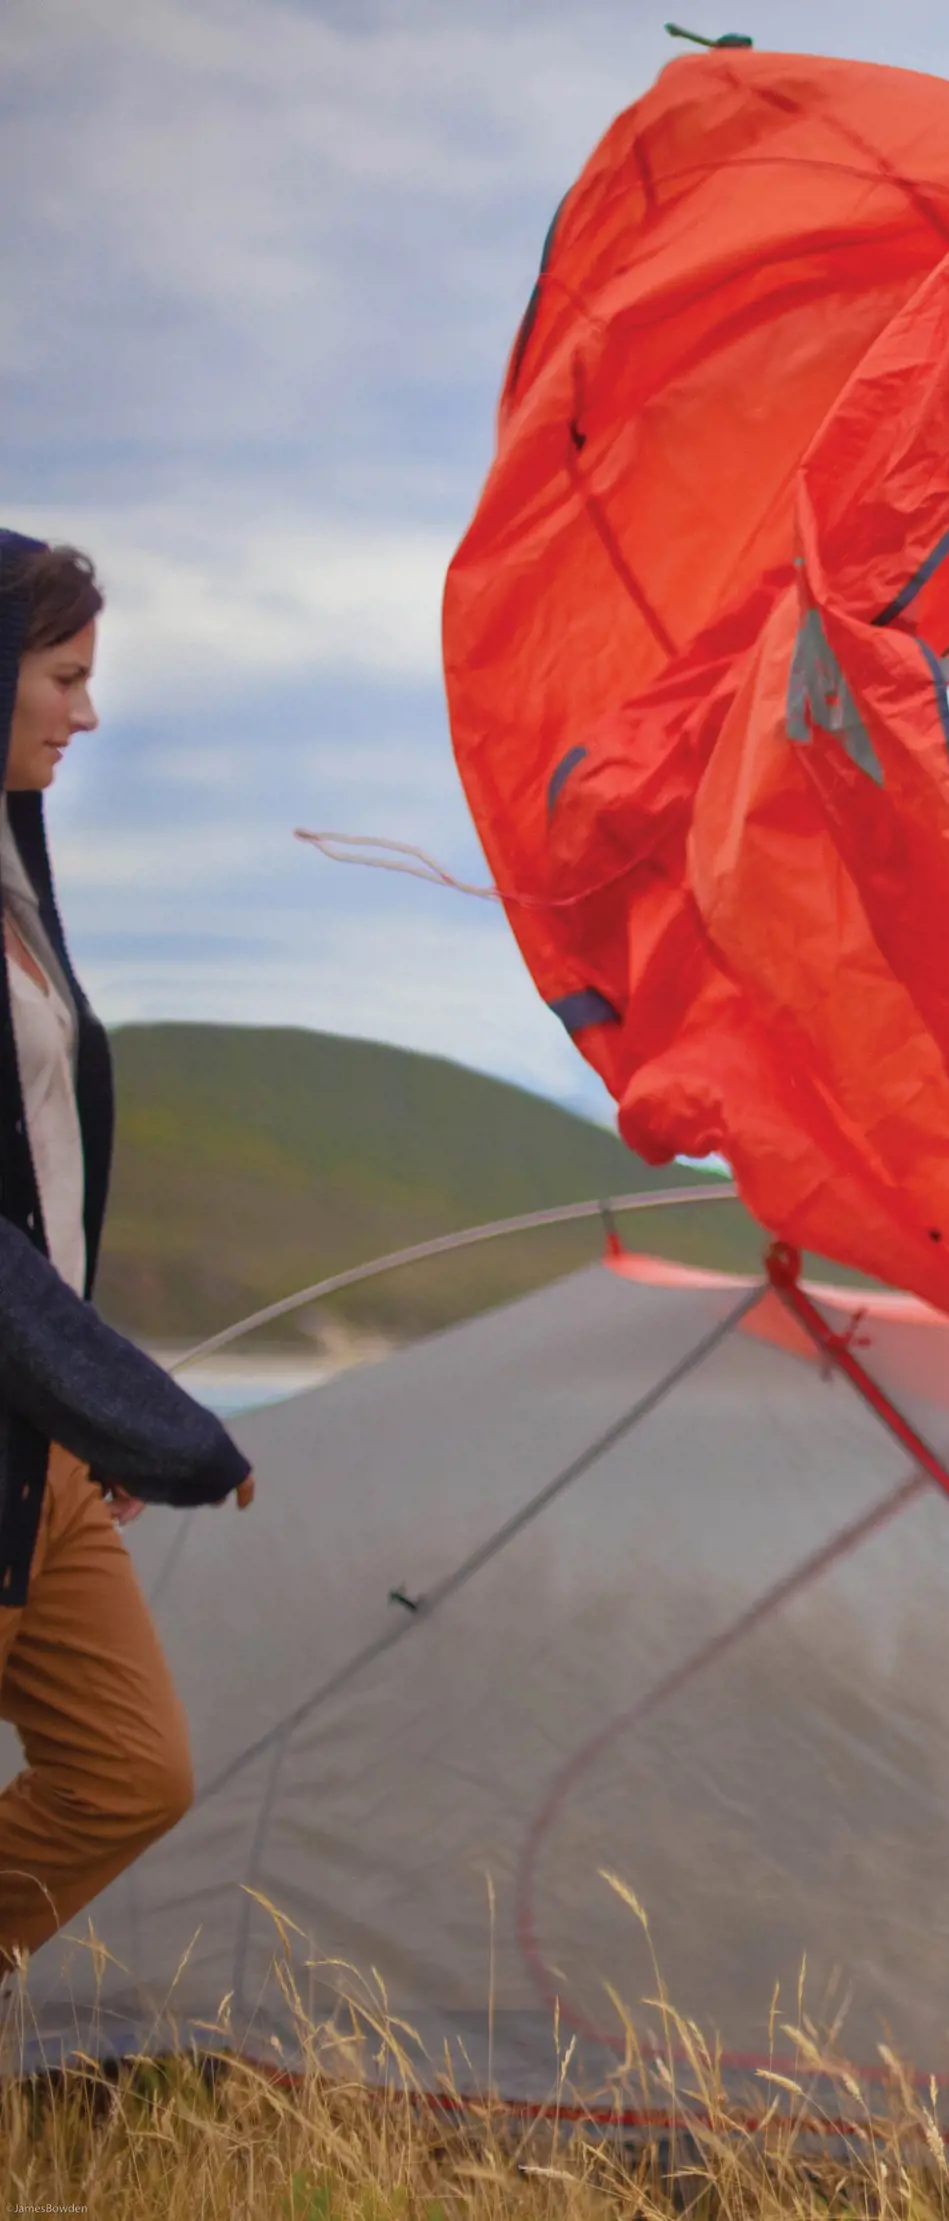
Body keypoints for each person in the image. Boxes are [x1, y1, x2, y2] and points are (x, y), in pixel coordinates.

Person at [0, 532, 254, 1972]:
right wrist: (139, 1417)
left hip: (42, 1452)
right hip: (47, 1418)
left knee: (130, 1777)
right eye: (65, 678)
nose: (86, 716)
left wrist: (79, 1422)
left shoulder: (20, 890)